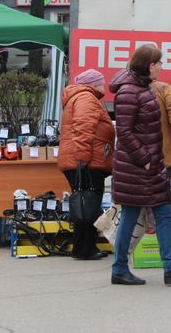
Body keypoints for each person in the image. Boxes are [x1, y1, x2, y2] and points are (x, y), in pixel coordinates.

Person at [109, 44, 171, 286]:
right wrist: (145, 159)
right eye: (159, 63)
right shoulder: (129, 91)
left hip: (151, 165)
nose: (161, 67)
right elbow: (124, 132)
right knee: (130, 215)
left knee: (162, 213)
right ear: (149, 66)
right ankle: (119, 269)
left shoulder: (142, 88)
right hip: (139, 167)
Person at [58, 69, 116, 260]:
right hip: (86, 162)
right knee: (87, 204)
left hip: (84, 161)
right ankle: (84, 249)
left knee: (85, 203)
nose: (103, 86)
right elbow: (83, 127)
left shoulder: (81, 97)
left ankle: (84, 246)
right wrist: (83, 158)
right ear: (93, 84)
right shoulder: (86, 98)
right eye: (101, 82)